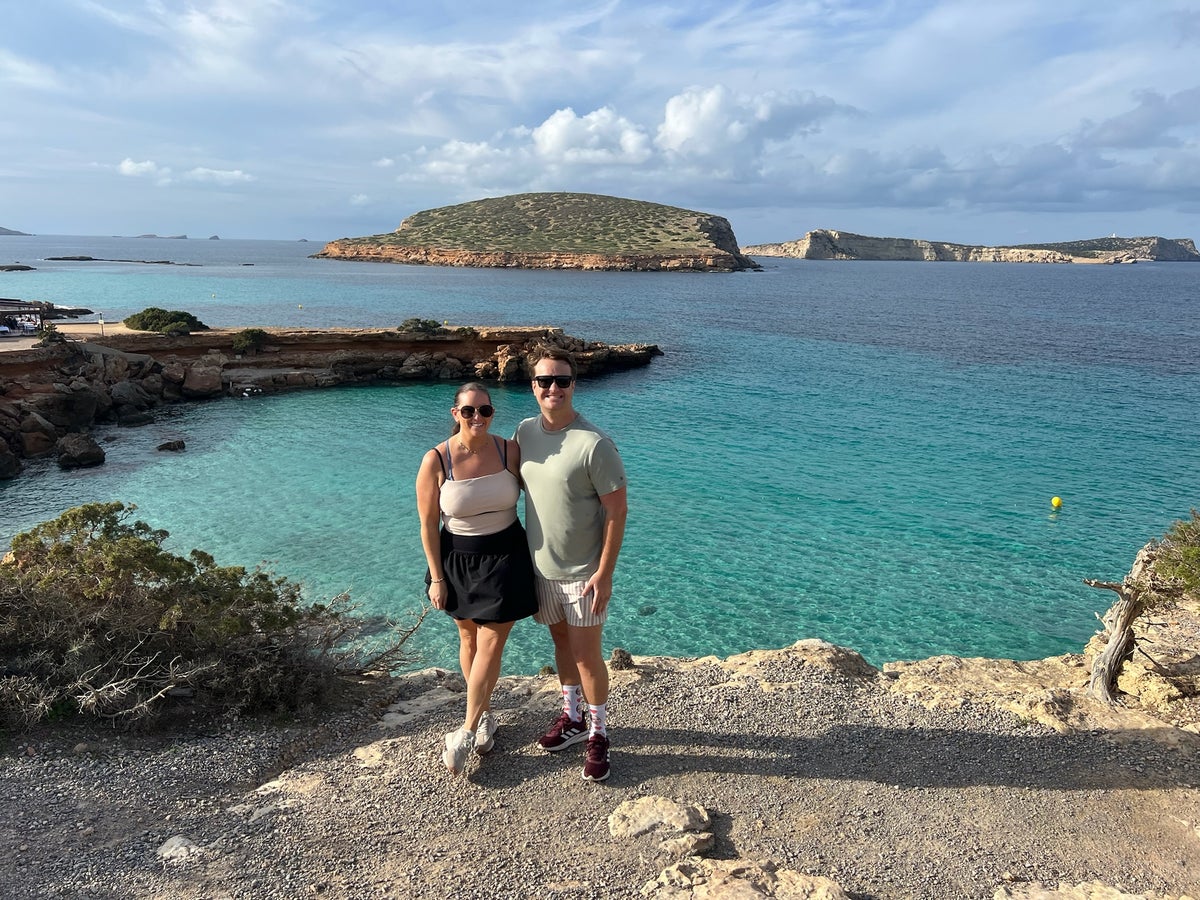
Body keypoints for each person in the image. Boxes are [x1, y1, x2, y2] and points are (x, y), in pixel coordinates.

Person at [514, 347, 628, 782]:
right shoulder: (525, 432)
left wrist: (605, 572)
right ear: (533, 387)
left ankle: (598, 734)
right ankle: (573, 718)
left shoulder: (593, 443)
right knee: (561, 644)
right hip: (541, 569)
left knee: (586, 655)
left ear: (573, 386)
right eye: (545, 381)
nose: (553, 388)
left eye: (562, 381)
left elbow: (617, 511)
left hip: (584, 573)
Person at [416, 382, 538, 775]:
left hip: (507, 556)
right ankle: (484, 716)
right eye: (469, 411)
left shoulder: (509, 450)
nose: (477, 418)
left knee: (491, 641)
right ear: (456, 414)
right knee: (467, 637)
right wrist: (437, 578)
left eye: (484, 410)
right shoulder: (436, 459)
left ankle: (467, 730)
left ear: (491, 414)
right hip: (457, 560)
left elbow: (545, 488)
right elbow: (427, 525)